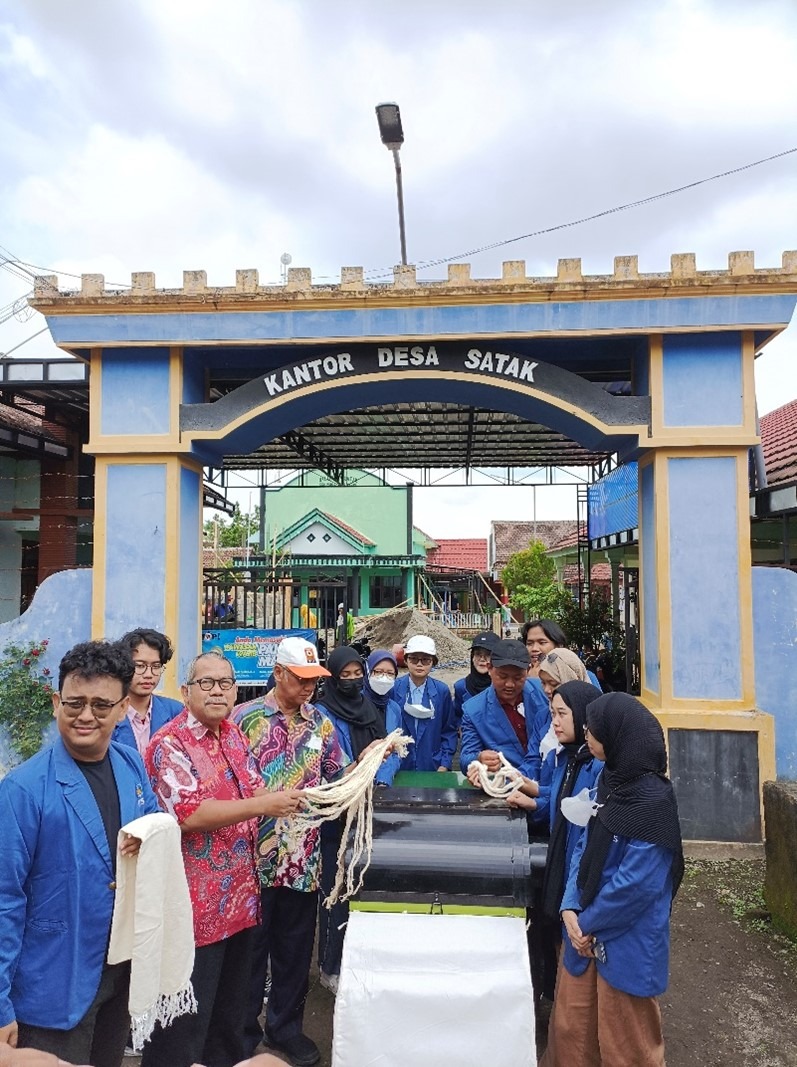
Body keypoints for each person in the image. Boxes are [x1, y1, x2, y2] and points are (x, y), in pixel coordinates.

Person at [0, 640, 160, 1067]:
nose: (85, 715)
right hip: (52, 982)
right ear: (57, 702)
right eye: (74, 703)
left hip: (117, 971)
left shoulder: (129, 764)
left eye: (101, 705)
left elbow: (156, 822)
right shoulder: (23, 790)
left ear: (123, 708)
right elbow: (4, 900)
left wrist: (149, 836)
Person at [143, 651, 303, 1067]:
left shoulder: (233, 734)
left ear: (236, 690)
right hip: (193, 915)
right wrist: (266, 805)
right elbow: (190, 814)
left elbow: (251, 791)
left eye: (225, 683)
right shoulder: (169, 744)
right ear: (186, 691)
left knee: (230, 1021)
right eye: (207, 683)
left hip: (240, 906)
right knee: (182, 1027)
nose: (217, 691)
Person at [543, 693, 684, 1067]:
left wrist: (585, 925)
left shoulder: (652, 802)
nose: (587, 733)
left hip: (624, 941)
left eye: (595, 728)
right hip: (583, 930)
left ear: (620, 735)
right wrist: (570, 905)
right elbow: (583, 845)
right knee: (573, 1033)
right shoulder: (610, 779)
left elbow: (637, 885)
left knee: (627, 1045)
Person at [233, 638, 346, 1067]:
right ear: (279, 673)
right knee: (249, 951)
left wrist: (372, 759)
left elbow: (338, 773)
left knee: (295, 949)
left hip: (303, 858)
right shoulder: (244, 720)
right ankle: (242, 1032)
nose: (308, 689)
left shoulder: (322, 724)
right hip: (252, 859)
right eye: (301, 680)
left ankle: (286, 1030)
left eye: (313, 681)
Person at [508, 681, 604, 1003]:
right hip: (562, 864)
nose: (555, 722)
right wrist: (533, 801)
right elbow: (563, 801)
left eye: (562, 714)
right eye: (552, 714)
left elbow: (579, 818)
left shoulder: (595, 766)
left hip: (577, 881)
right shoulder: (568, 758)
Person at [313, 646, 401, 993]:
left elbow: (387, 748)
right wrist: (361, 770)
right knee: (335, 889)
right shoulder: (323, 713)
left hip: (369, 808)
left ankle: (357, 960)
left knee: (362, 887)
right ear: (333, 678)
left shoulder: (370, 708)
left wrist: (380, 778)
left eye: (356, 674)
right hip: (337, 813)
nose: (351, 681)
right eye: (344, 675)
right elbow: (332, 764)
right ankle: (330, 965)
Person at [460, 639, 542, 780]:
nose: (509, 684)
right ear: (490, 668)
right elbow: (465, 759)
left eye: (518, 678)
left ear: (528, 671)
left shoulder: (543, 693)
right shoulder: (473, 710)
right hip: (505, 786)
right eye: (502, 676)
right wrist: (479, 758)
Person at [113, 628, 183, 757]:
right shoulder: (110, 713)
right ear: (125, 666)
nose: (149, 675)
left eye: (156, 667)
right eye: (140, 666)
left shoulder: (176, 711)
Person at [392, 635, 457, 772]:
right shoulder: (393, 689)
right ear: (406, 660)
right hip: (399, 764)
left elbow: (449, 730)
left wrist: (444, 763)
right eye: (414, 659)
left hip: (432, 764)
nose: (419, 664)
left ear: (433, 662)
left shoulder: (441, 691)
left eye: (426, 660)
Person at [452, 631, 500, 726]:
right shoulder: (461, 687)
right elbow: (456, 717)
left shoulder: (503, 687)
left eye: (488, 654)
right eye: (478, 654)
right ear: (472, 657)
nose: (482, 659)